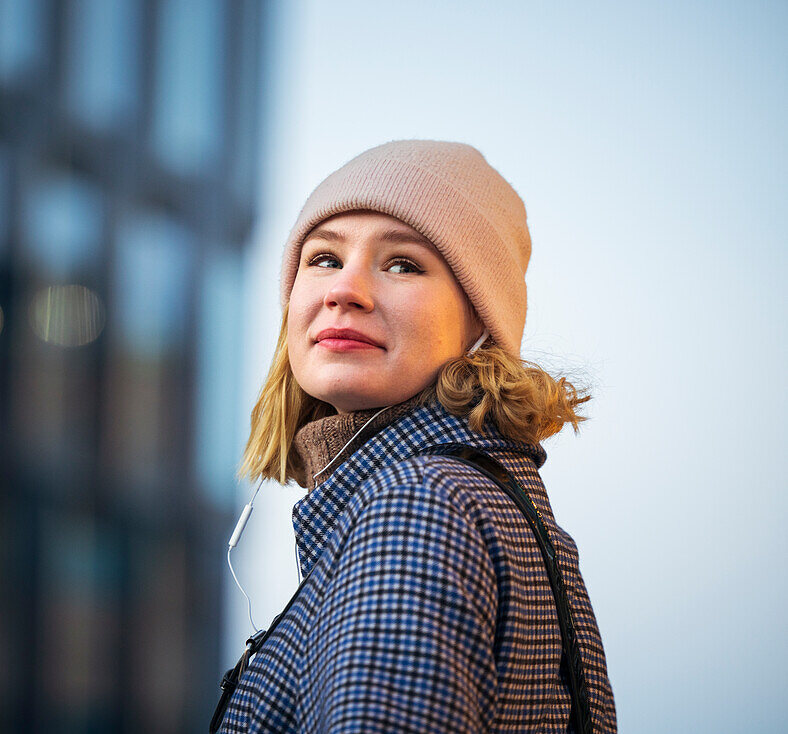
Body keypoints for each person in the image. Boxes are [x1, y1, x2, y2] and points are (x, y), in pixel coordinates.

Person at [214, 140, 617, 732]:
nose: (343, 289)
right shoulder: (467, 494)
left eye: (403, 263)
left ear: (480, 320)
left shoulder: (418, 506)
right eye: (324, 258)